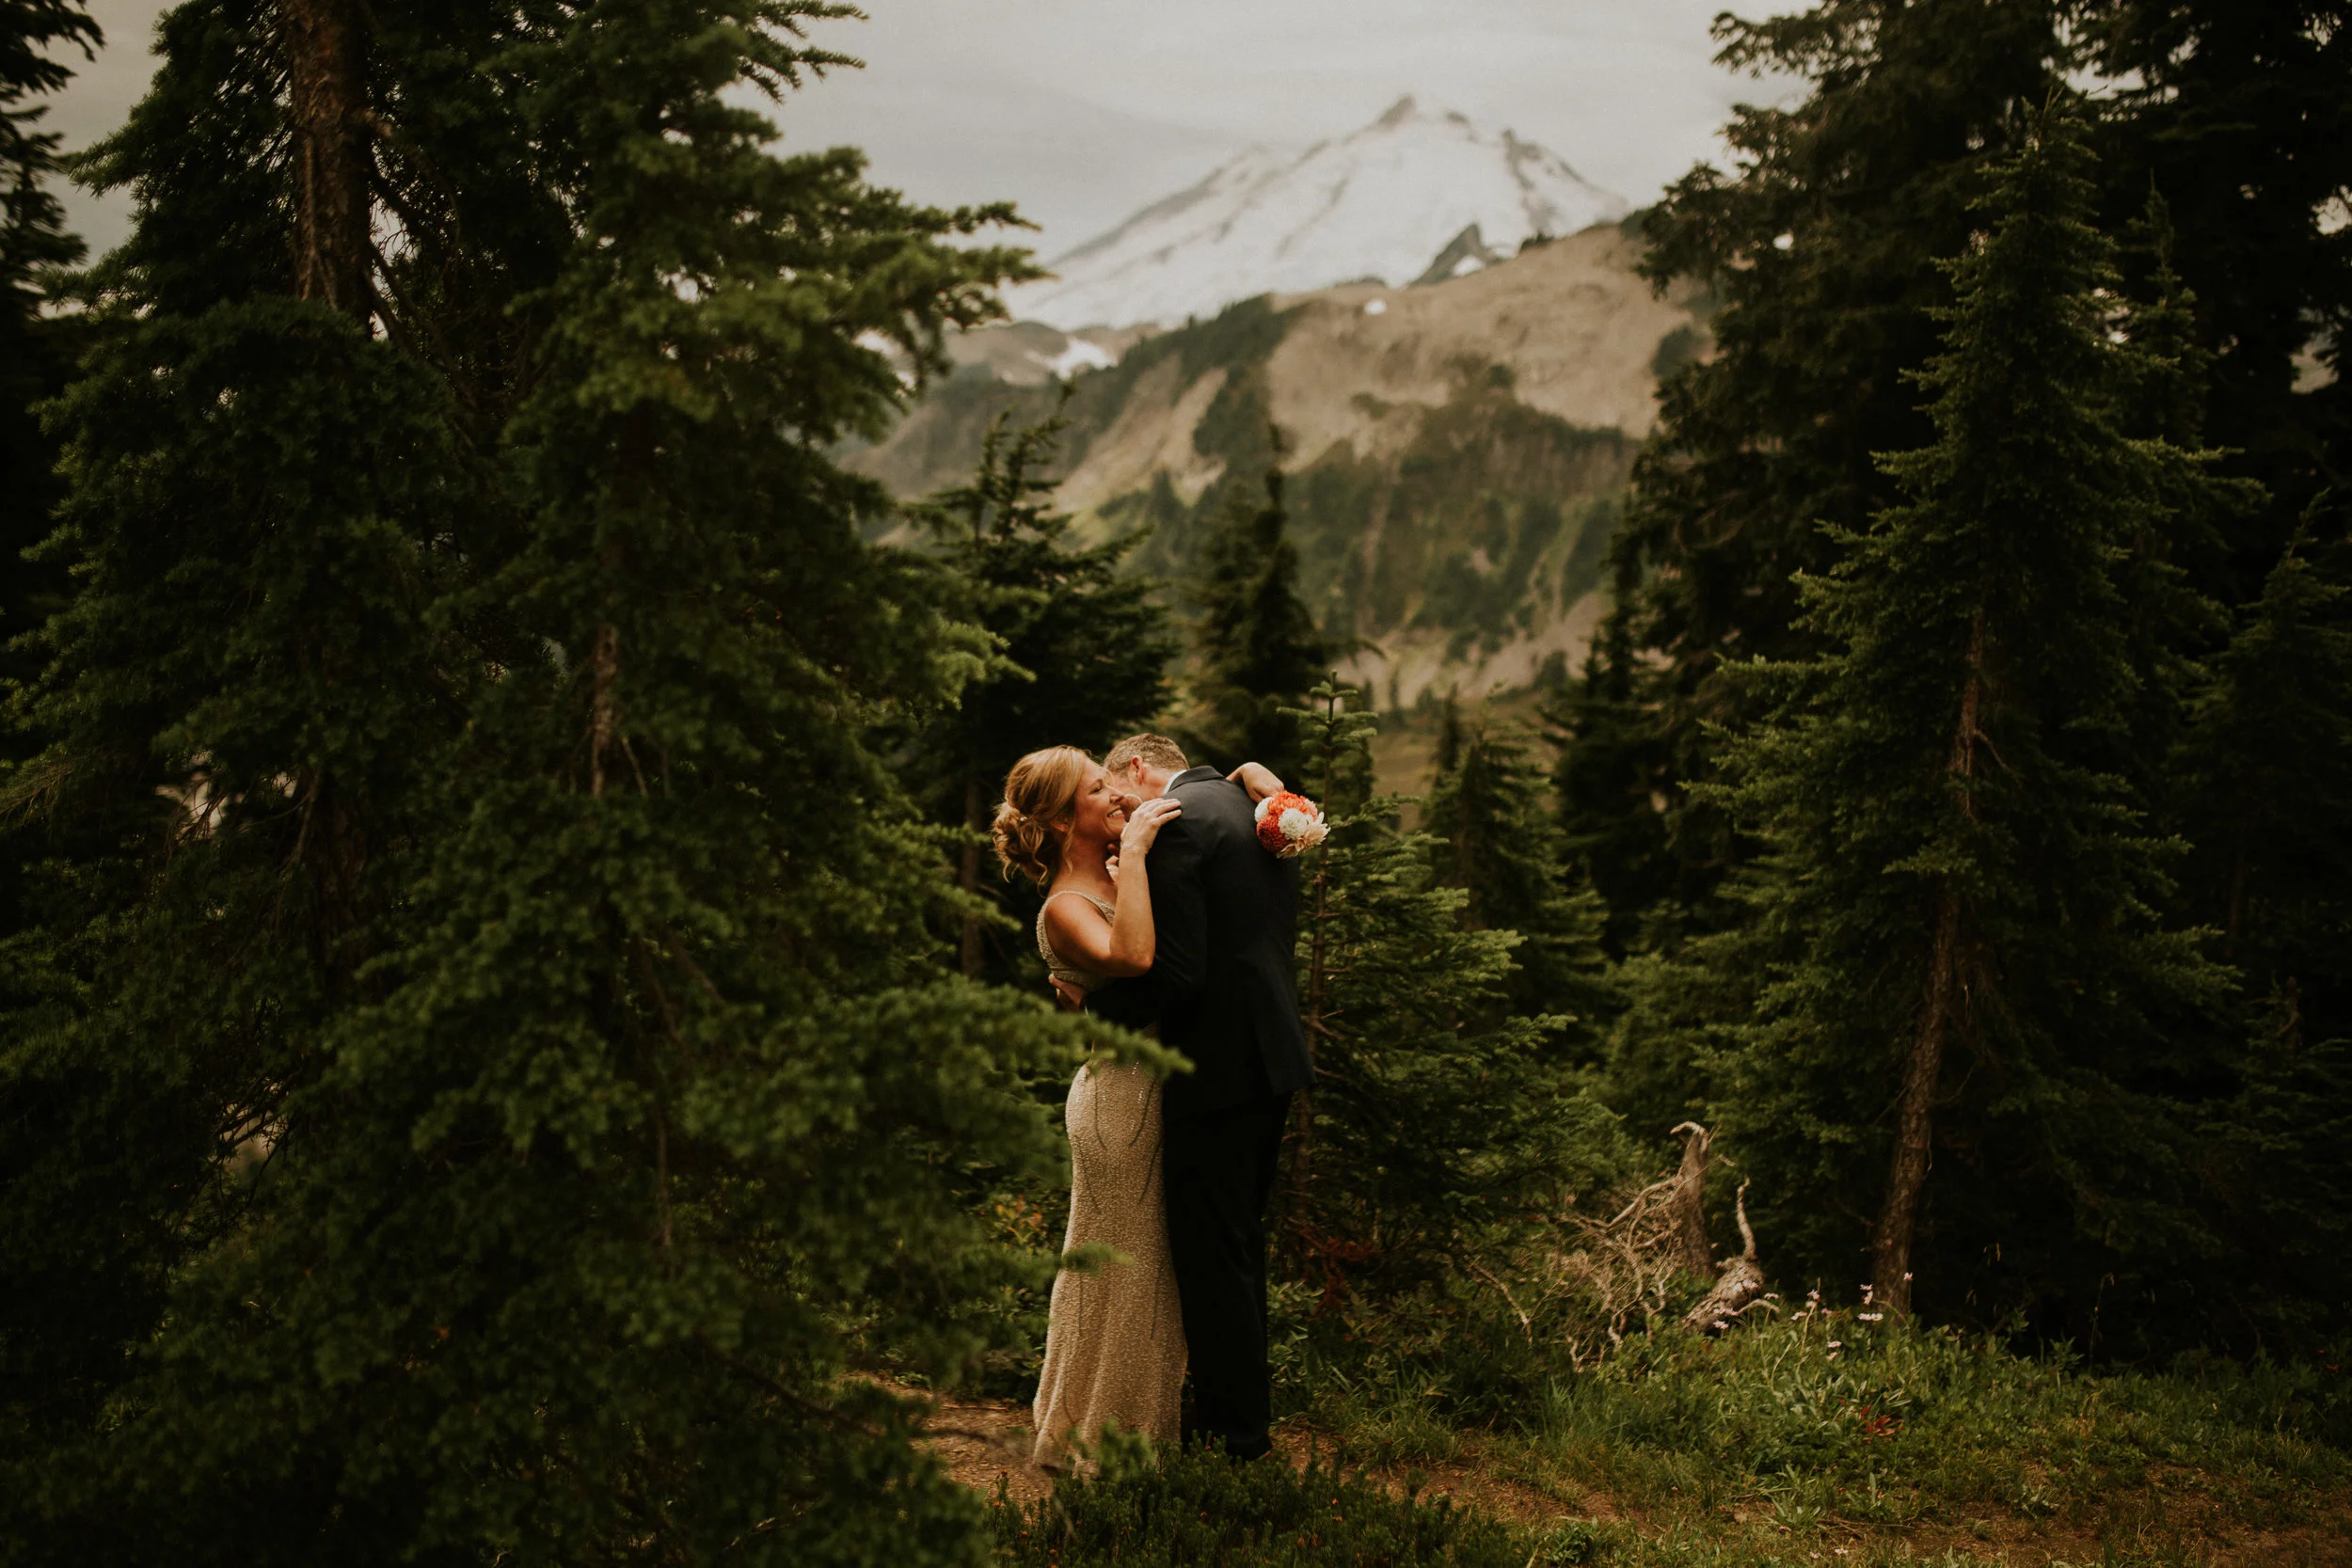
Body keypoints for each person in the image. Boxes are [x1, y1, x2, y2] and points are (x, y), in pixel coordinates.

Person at [1084, 734, 1313, 1462]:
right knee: (1238, 1247)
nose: (1122, 816)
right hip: (1272, 1055)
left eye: (1119, 797)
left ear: (1140, 768)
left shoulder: (1178, 818)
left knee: (1214, 1259)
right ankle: (1240, 1423)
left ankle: (1230, 1443)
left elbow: (1176, 973)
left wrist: (1095, 1013)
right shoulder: (1259, 809)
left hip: (1214, 1067)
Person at [991, 746, 1186, 1470]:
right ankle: (1110, 1447)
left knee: (1124, 1275)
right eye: (1096, 787)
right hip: (1120, 1105)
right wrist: (1134, 853)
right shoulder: (1067, 907)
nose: (1114, 792)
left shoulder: (1105, 875)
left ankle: (1088, 1426)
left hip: (1140, 1089)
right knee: (1127, 1278)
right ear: (1063, 819)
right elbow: (1134, 957)